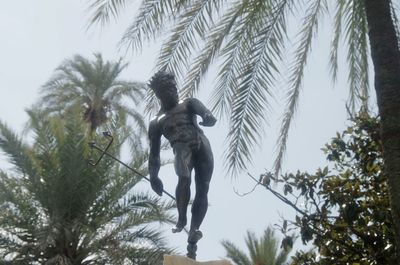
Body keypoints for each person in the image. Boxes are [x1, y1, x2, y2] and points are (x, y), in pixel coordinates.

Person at [148, 71, 216, 242]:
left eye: (173, 88)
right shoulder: (156, 122)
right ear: (159, 94)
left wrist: (208, 117)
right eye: (167, 90)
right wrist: (154, 176)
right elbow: (154, 154)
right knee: (183, 177)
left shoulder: (188, 103)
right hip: (181, 148)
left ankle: (194, 229)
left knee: (203, 187)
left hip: (201, 144)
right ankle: (182, 219)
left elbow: (205, 112)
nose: (173, 92)